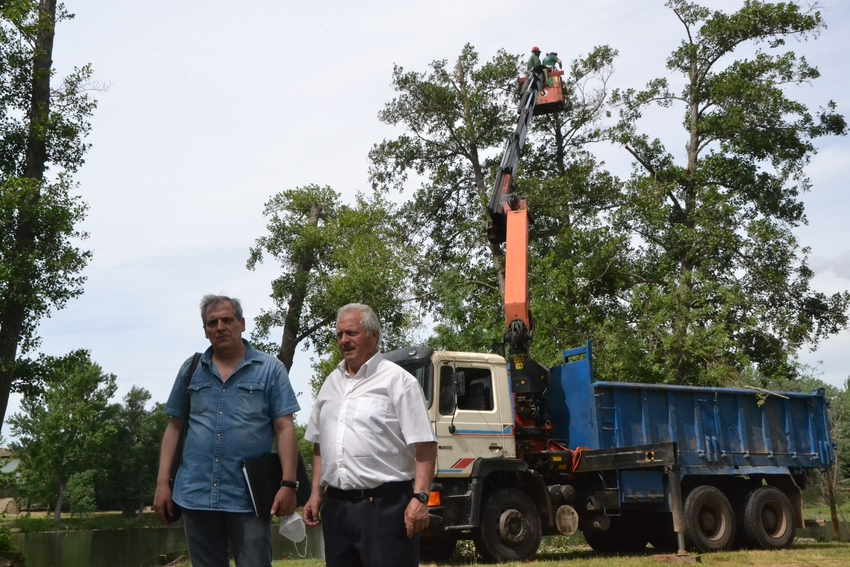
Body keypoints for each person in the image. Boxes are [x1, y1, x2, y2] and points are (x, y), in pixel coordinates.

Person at [154, 295, 301, 567]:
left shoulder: (270, 369)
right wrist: (163, 484)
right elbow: (174, 428)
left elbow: (284, 427)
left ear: (241, 324)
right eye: (212, 323)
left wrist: (288, 484)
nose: (220, 327)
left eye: (227, 320)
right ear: (205, 331)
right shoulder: (191, 369)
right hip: (196, 495)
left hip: (249, 498)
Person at [302, 303, 438, 567]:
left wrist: (420, 497)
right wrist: (316, 493)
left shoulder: (399, 381)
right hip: (337, 509)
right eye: (339, 335)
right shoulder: (330, 383)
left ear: (374, 335)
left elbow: (425, 445)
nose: (344, 340)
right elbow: (319, 444)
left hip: (385, 509)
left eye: (351, 333)